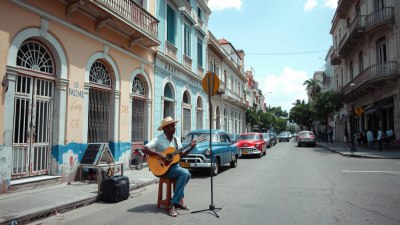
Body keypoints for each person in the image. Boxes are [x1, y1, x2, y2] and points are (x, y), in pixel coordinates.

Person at [144, 117, 197, 217]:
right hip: (163, 169)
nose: (174, 128)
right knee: (184, 173)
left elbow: (180, 155)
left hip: (174, 167)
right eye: (172, 126)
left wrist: (191, 147)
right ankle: (173, 204)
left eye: (174, 126)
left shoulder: (176, 140)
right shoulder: (158, 139)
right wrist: (160, 155)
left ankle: (177, 201)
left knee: (188, 174)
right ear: (165, 128)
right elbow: (145, 149)